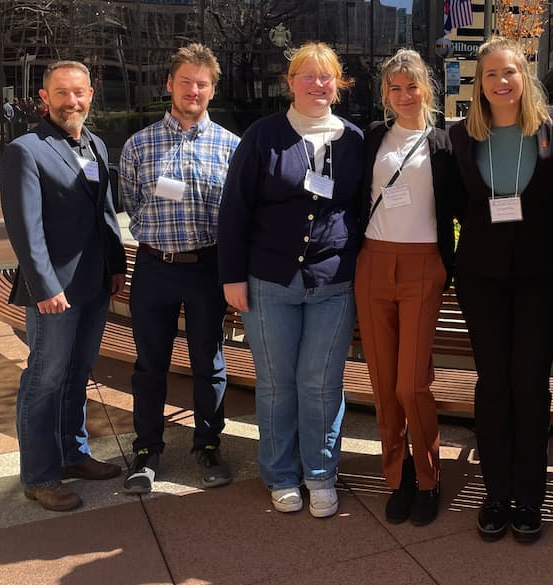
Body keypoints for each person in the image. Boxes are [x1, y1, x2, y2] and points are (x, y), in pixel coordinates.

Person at [218, 42, 364, 518]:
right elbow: (234, 210)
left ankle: (320, 472)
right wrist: (232, 278)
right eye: (308, 76)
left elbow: (361, 212)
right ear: (290, 83)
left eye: (327, 77)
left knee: (321, 383)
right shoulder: (263, 136)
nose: (318, 84)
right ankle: (281, 474)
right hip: (269, 282)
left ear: (338, 83)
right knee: (278, 383)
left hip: (333, 284)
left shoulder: (355, 140)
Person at [448, 36, 553, 543]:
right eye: (491, 75)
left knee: (530, 382)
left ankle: (530, 495)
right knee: (493, 382)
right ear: (479, 84)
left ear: (526, 76)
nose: (502, 82)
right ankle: (496, 493)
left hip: (542, 276)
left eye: (511, 72)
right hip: (481, 276)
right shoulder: (460, 136)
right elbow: (458, 203)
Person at [0, 60, 127, 511]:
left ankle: (74, 455)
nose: (71, 101)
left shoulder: (94, 145)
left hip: (93, 285)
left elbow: (105, 214)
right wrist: (44, 288)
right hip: (54, 292)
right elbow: (25, 230)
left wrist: (115, 265)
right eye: (61, 93)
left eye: (79, 93)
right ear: (45, 97)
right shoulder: (26, 149)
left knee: (77, 374)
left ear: (90, 95)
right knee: (44, 379)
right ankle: (39, 474)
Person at [119, 43, 240, 494]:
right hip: (154, 268)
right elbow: (132, 205)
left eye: (202, 83)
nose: (193, 90)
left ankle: (208, 446)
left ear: (213, 90)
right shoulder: (138, 145)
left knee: (209, 363)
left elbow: (238, 215)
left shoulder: (232, 147)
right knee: (150, 366)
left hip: (208, 268)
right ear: (169, 85)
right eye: (185, 81)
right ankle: (147, 451)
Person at [356, 49, 454, 526]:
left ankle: (430, 478)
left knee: (411, 383)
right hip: (373, 263)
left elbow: (465, 204)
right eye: (395, 87)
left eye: (411, 86)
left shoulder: (444, 141)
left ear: (426, 89)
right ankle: (398, 475)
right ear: (385, 94)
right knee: (383, 383)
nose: (404, 95)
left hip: (422, 266)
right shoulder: (374, 137)